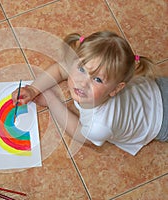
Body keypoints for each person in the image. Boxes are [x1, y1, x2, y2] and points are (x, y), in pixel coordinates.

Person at [12, 31, 167, 156]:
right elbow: (60, 70)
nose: (82, 82)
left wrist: (52, 101)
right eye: (81, 69)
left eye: (97, 80)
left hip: (160, 122)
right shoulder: (88, 67)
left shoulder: (100, 125)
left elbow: (80, 134)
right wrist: (33, 89)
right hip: (158, 87)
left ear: (115, 89)